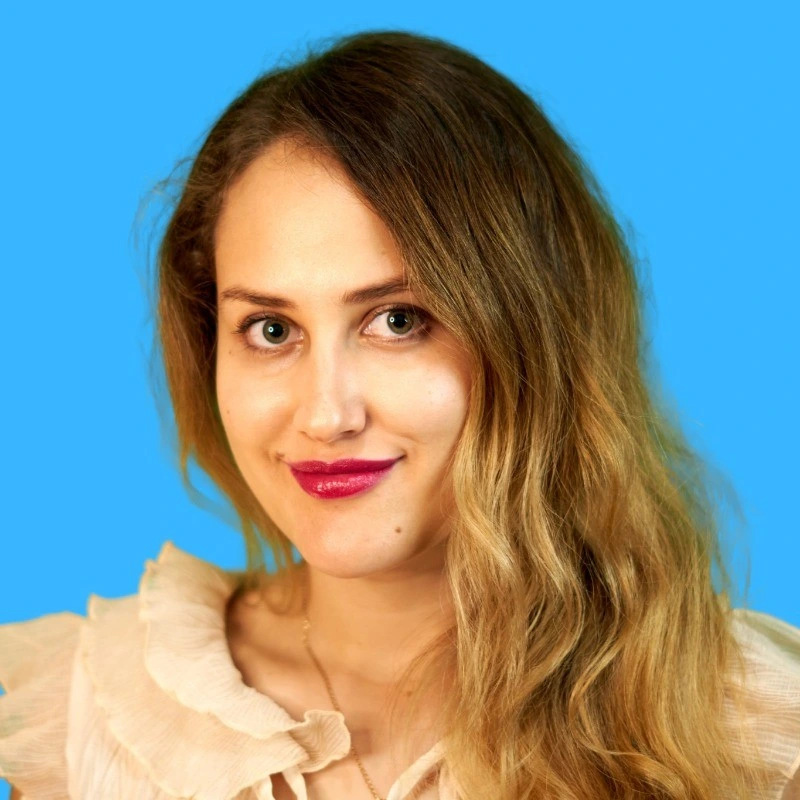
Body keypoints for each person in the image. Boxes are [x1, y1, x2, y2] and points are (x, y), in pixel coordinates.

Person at [1, 28, 798, 800]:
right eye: (271, 330)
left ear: (533, 336)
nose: (325, 413)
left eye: (398, 320)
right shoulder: (86, 718)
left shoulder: (759, 732)